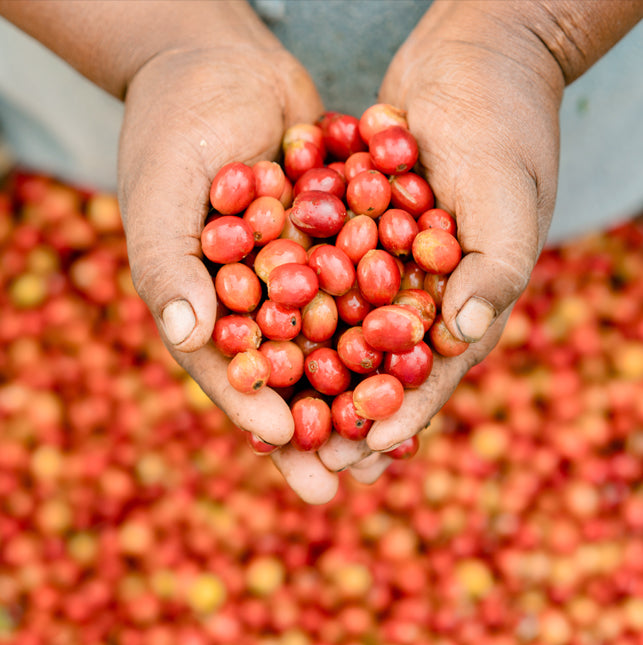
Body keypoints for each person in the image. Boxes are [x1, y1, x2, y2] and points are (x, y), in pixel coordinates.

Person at [1, 0, 642, 503]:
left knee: (504, 210)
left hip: (528, 78)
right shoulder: (338, 248)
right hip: (100, 22)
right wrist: (161, 45)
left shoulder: (335, 251)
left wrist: (533, 32)